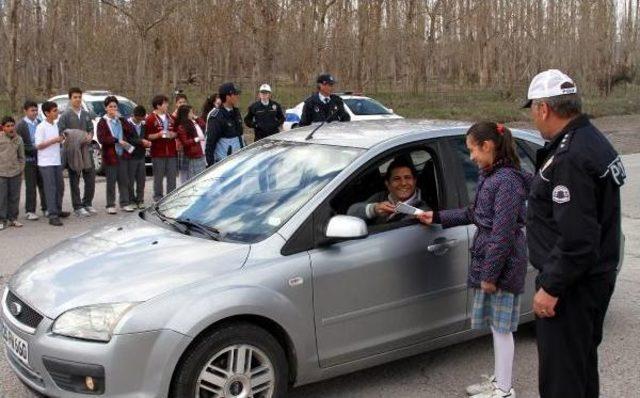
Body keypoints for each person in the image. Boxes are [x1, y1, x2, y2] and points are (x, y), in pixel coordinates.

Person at [523, 70, 625, 398]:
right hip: (591, 279)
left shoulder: (569, 158)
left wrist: (551, 287)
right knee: (580, 371)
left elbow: (578, 238)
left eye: (533, 109)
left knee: (562, 380)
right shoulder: (591, 138)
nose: (534, 117)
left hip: (572, 287)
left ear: (543, 109)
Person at [418, 122, 529, 398]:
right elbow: (474, 213)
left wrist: (490, 276)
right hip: (491, 260)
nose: (472, 157)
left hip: (503, 264)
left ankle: (504, 390)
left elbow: (502, 234)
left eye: (472, 150)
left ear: (487, 146)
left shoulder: (507, 181)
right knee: (496, 324)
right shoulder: (490, 175)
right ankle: (498, 380)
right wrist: (438, 216)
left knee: (502, 328)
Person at [347, 157, 429, 225]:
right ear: (388, 184)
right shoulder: (380, 197)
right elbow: (351, 212)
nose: (403, 183)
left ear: (415, 181)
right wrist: (374, 209)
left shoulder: (422, 209)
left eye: (407, 177)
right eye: (397, 179)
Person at [57, 87, 96, 217]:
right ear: (70, 99)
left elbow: (91, 129)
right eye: (75, 97)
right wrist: (75, 138)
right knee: (75, 179)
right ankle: (78, 206)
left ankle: (87, 203)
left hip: (87, 149)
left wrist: (90, 136)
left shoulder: (86, 114)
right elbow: (62, 133)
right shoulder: (65, 115)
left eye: (79, 97)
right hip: (73, 152)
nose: (78, 99)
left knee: (90, 176)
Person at [97, 96, 137, 214]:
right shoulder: (103, 122)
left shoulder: (120, 121)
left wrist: (123, 119)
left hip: (123, 154)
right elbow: (102, 138)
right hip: (110, 155)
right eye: (110, 107)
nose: (113, 109)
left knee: (124, 180)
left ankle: (124, 203)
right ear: (106, 108)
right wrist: (116, 140)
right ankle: (110, 204)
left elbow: (131, 131)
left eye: (115, 106)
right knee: (111, 180)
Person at [35, 102, 70, 226]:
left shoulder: (55, 125)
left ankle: (58, 209)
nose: (57, 113)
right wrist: (54, 140)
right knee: (50, 188)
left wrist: (61, 139)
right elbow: (38, 145)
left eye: (57, 110)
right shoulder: (41, 127)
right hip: (46, 163)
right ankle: (52, 215)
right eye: (54, 111)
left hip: (56, 161)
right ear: (47, 113)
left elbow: (57, 141)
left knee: (60, 187)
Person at [15, 100, 46, 220]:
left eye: (36, 110)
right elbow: (20, 144)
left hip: (41, 158)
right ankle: (30, 210)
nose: (34, 113)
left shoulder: (39, 122)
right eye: (32, 110)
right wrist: (34, 148)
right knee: (31, 185)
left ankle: (46, 207)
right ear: (25, 111)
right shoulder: (21, 125)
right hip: (29, 159)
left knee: (43, 184)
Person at [145, 94, 178, 202]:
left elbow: (176, 132)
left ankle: (171, 197)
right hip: (158, 153)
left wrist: (173, 134)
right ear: (158, 106)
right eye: (165, 103)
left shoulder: (171, 118)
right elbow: (147, 136)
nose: (167, 105)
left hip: (171, 152)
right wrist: (158, 135)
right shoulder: (150, 119)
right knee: (158, 177)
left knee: (172, 177)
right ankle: (158, 197)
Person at [205, 82, 244, 166]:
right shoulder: (217, 116)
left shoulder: (236, 112)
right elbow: (210, 144)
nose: (237, 96)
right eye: (235, 94)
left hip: (239, 162)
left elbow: (240, 137)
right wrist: (211, 166)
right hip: (225, 164)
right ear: (227, 97)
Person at [0, 116, 25, 230]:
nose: (10, 128)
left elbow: (21, 157)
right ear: (3, 127)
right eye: (8, 126)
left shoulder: (18, 139)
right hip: (2, 173)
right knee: (2, 197)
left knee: (14, 197)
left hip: (15, 172)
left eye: (12, 125)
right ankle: (2, 220)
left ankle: (13, 219)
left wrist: (20, 169)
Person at [126, 105, 150, 209]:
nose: (140, 120)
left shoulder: (144, 125)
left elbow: (146, 136)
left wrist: (148, 142)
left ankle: (140, 200)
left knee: (141, 179)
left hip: (141, 155)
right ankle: (131, 200)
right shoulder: (127, 124)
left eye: (142, 118)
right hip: (131, 156)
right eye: (138, 119)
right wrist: (141, 141)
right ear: (134, 116)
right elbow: (129, 138)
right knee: (130, 180)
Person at [175, 105, 206, 183]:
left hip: (200, 152)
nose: (192, 114)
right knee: (194, 177)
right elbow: (185, 142)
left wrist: (196, 117)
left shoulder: (193, 122)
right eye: (190, 112)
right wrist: (196, 139)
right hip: (193, 154)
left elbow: (203, 124)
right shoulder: (181, 127)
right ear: (186, 114)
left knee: (202, 175)